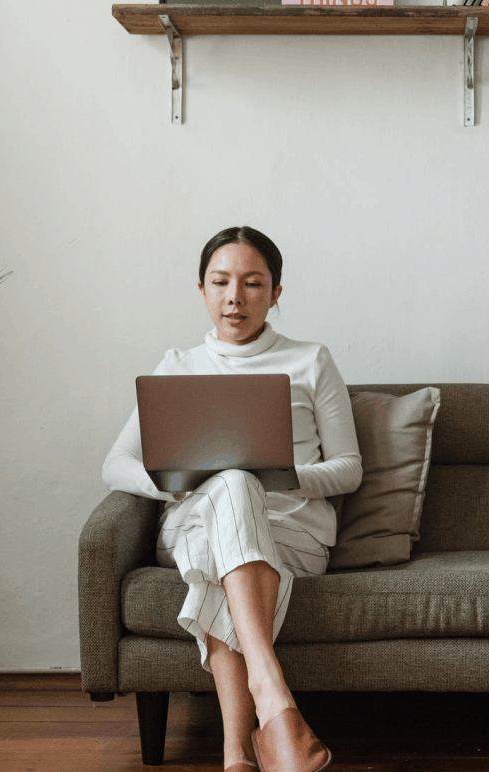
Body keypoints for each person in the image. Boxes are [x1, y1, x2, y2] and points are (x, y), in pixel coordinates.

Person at [103, 226, 361, 772]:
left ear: (276, 292)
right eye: (220, 282)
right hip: (196, 521)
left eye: (252, 283)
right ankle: (271, 697)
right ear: (202, 289)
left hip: (290, 530)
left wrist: (276, 476)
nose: (234, 297)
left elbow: (348, 470)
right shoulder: (177, 365)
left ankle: (235, 755)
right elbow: (115, 464)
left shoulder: (311, 360)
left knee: (240, 489)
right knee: (230, 485)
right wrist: (179, 481)